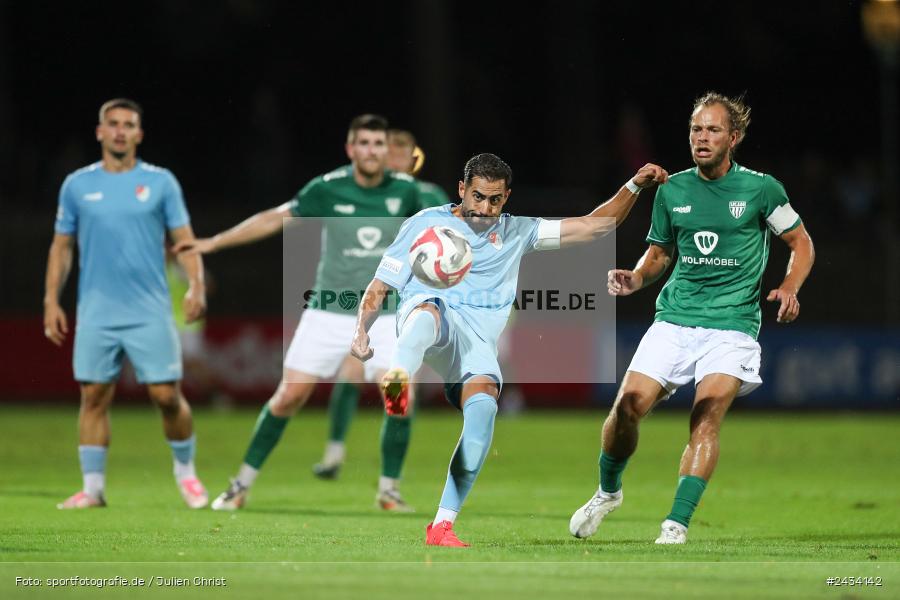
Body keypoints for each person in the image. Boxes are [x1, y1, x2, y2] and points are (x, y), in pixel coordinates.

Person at [351, 153, 668, 546]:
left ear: (507, 198)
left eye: (495, 200)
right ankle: (398, 376)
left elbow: (593, 227)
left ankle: (442, 526)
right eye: (478, 197)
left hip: (477, 341)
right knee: (430, 310)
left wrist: (634, 185)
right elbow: (381, 284)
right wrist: (362, 330)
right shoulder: (425, 224)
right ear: (462, 190)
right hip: (429, 317)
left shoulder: (519, 231)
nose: (485, 208)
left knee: (483, 411)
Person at [569, 92, 815, 544]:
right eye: (696, 130)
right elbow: (660, 253)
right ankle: (608, 492)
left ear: (733, 138)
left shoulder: (761, 189)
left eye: (713, 130)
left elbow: (801, 243)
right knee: (626, 409)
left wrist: (790, 287)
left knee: (705, 417)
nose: (702, 138)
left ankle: (675, 523)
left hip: (732, 326)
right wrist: (637, 277)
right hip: (674, 321)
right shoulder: (673, 188)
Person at [175, 115, 442, 511]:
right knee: (287, 398)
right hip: (328, 311)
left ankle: (389, 490)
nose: (371, 151)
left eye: (378, 144)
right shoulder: (327, 188)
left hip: (387, 315)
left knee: (400, 397)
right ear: (351, 149)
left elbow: (449, 225)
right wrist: (215, 242)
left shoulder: (408, 191)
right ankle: (240, 484)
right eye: (363, 143)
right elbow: (274, 217)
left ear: (388, 151)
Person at [44, 98, 209, 509]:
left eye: (128, 124)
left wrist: (196, 286)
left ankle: (186, 475)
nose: (120, 131)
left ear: (139, 133)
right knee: (94, 396)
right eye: (113, 124)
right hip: (97, 312)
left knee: (166, 396)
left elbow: (185, 241)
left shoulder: (160, 183)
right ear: (100, 132)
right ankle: (93, 489)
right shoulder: (77, 185)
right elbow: (61, 247)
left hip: (149, 310)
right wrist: (50, 299)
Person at [312, 129, 450, 495]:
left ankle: (390, 483)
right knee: (349, 373)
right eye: (388, 153)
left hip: (411, 304)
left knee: (401, 392)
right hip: (370, 298)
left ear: (411, 160)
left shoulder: (429, 197)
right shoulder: (373, 196)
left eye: (399, 154)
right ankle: (335, 453)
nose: (392, 160)